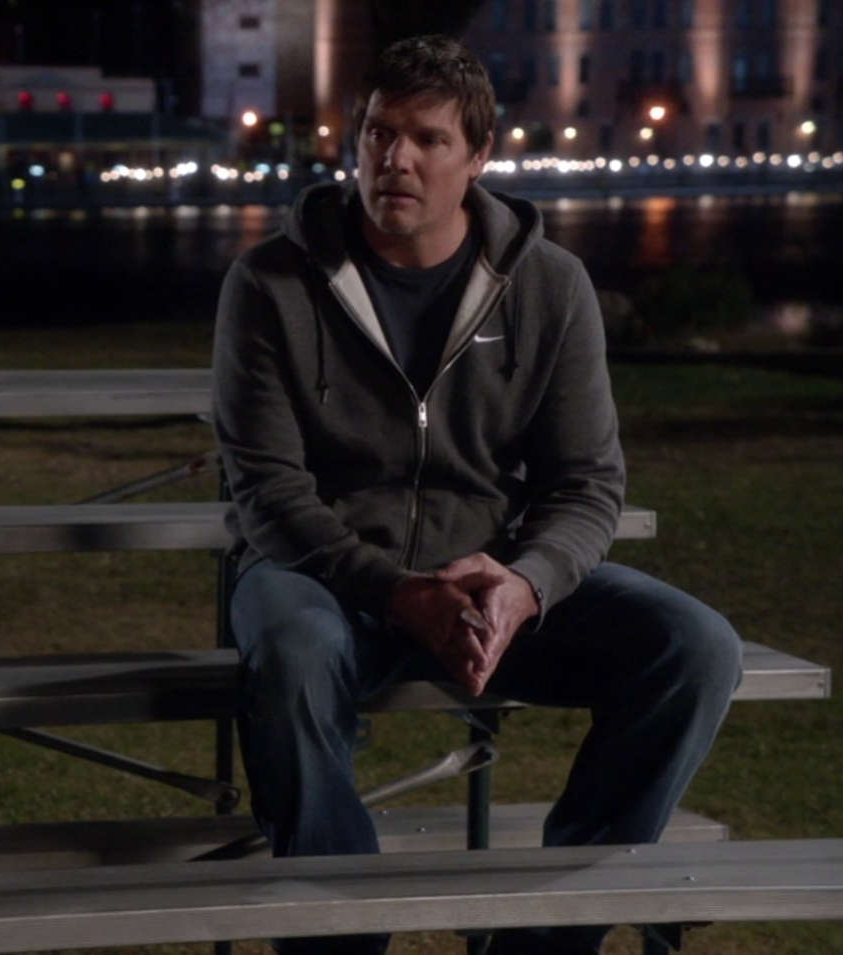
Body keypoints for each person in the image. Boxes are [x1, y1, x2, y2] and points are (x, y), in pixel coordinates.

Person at [210, 34, 741, 955]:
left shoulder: (548, 286)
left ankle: (544, 932)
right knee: (292, 654)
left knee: (694, 646)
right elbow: (266, 490)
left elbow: (586, 484)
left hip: (483, 582)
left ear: (480, 156)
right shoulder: (270, 284)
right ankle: (342, 934)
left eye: (425, 139)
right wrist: (394, 589)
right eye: (377, 132)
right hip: (318, 576)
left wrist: (523, 582)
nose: (393, 159)